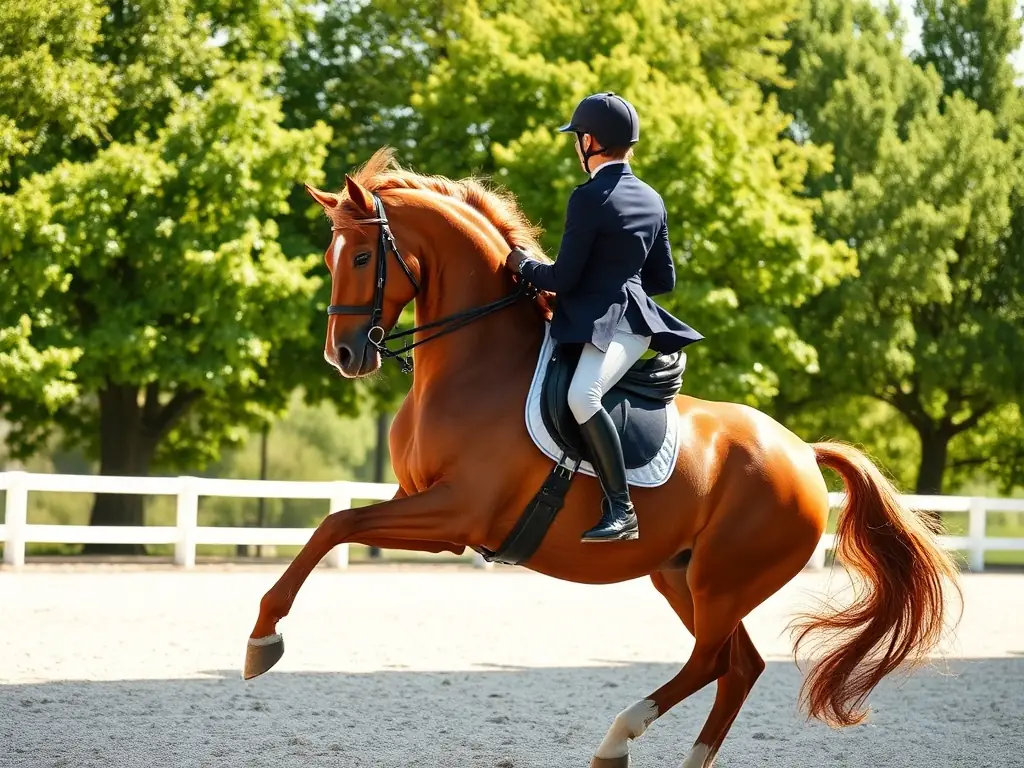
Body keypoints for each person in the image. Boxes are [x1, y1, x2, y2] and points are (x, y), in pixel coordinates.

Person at [505, 92, 704, 543]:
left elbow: (563, 276)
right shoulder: (653, 199)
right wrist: (615, 282)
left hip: (617, 325)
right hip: (627, 318)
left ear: (589, 141)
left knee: (583, 396)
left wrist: (521, 266)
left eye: (577, 138)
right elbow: (662, 278)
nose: (577, 145)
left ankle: (622, 508)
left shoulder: (589, 198)